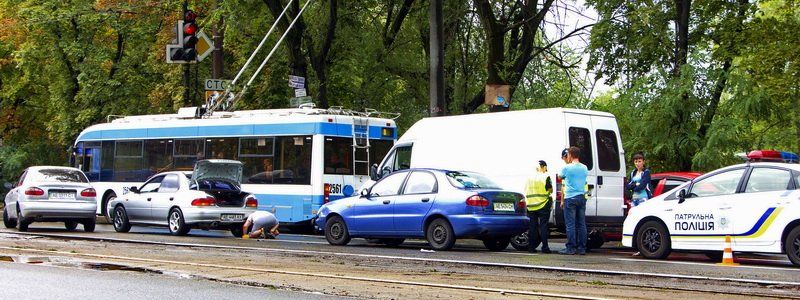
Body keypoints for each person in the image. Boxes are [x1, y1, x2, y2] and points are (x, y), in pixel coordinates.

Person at [559, 146, 589, 255]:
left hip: (570, 198)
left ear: (570, 155)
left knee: (570, 224)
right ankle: (582, 248)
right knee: (581, 224)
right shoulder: (585, 167)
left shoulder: (567, 168)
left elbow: (560, 176)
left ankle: (571, 247)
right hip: (581, 197)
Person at [524, 160, 553, 253]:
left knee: (532, 226)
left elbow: (525, 190)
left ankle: (531, 247)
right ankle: (545, 247)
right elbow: (550, 190)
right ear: (543, 167)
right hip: (543, 204)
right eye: (546, 168)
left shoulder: (529, 178)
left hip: (531, 205)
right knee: (543, 226)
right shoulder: (545, 176)